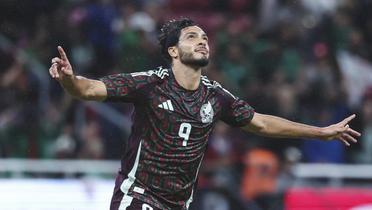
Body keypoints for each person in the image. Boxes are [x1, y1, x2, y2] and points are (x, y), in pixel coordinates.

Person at [49, 18, 360, 210]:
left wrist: (320, 131)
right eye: (192, 37)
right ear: (173, 51)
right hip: (139, 198)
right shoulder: (150, 84)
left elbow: (261, 123)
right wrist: (69, 80)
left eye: (204, 37)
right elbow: (88, 90)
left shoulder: (215, 95)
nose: (202, 41)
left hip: (180, 205)